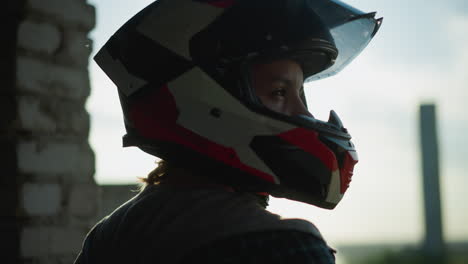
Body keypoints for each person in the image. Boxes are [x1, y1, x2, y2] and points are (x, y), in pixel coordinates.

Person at [75, 0, 382, 263]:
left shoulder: (107, 236)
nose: (305, 114)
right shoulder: (283, 247)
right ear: (204, 94)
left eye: (301, 94)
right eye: (278, 92)